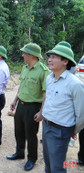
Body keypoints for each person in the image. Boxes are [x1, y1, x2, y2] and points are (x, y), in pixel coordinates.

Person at [40, 43, 84, 172]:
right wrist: (42, 114)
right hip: (46, 125)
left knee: (57, 167)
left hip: (60, 130)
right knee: (48, 162)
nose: (49, 59)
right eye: (49, 57)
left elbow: (81, 113)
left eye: (54, 57)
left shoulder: (75, 84)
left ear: (65, 61)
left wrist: (74, 130)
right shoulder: (49, 78)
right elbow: (48, 100)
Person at [6, 43, 50, 171]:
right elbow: (22, 85)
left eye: (24, 53)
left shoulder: (43, 71)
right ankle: (19, 153)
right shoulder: (25, 68)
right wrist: (15, 100)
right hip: (21, 105)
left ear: (32, 55)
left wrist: (42, 112)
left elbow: (45, 93)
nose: (22, 55)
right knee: (18, 131)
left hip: (33, 107)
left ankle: (32, 159)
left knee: (31, 135)